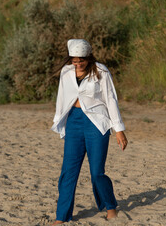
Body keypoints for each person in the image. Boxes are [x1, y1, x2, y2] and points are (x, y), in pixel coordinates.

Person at [51, 39, 128, 225]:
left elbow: (111, 99)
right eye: (74, 61)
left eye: (80, 61)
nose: (77, 64)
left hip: (97, 123)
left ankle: (110, 206)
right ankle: (61, 217)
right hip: (73, 122)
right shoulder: (66, 71)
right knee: (68, 171)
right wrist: (59, 122)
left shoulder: (101, 71)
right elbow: (62, 97)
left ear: (88, 57)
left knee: (97, 172)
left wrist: (119, 129)